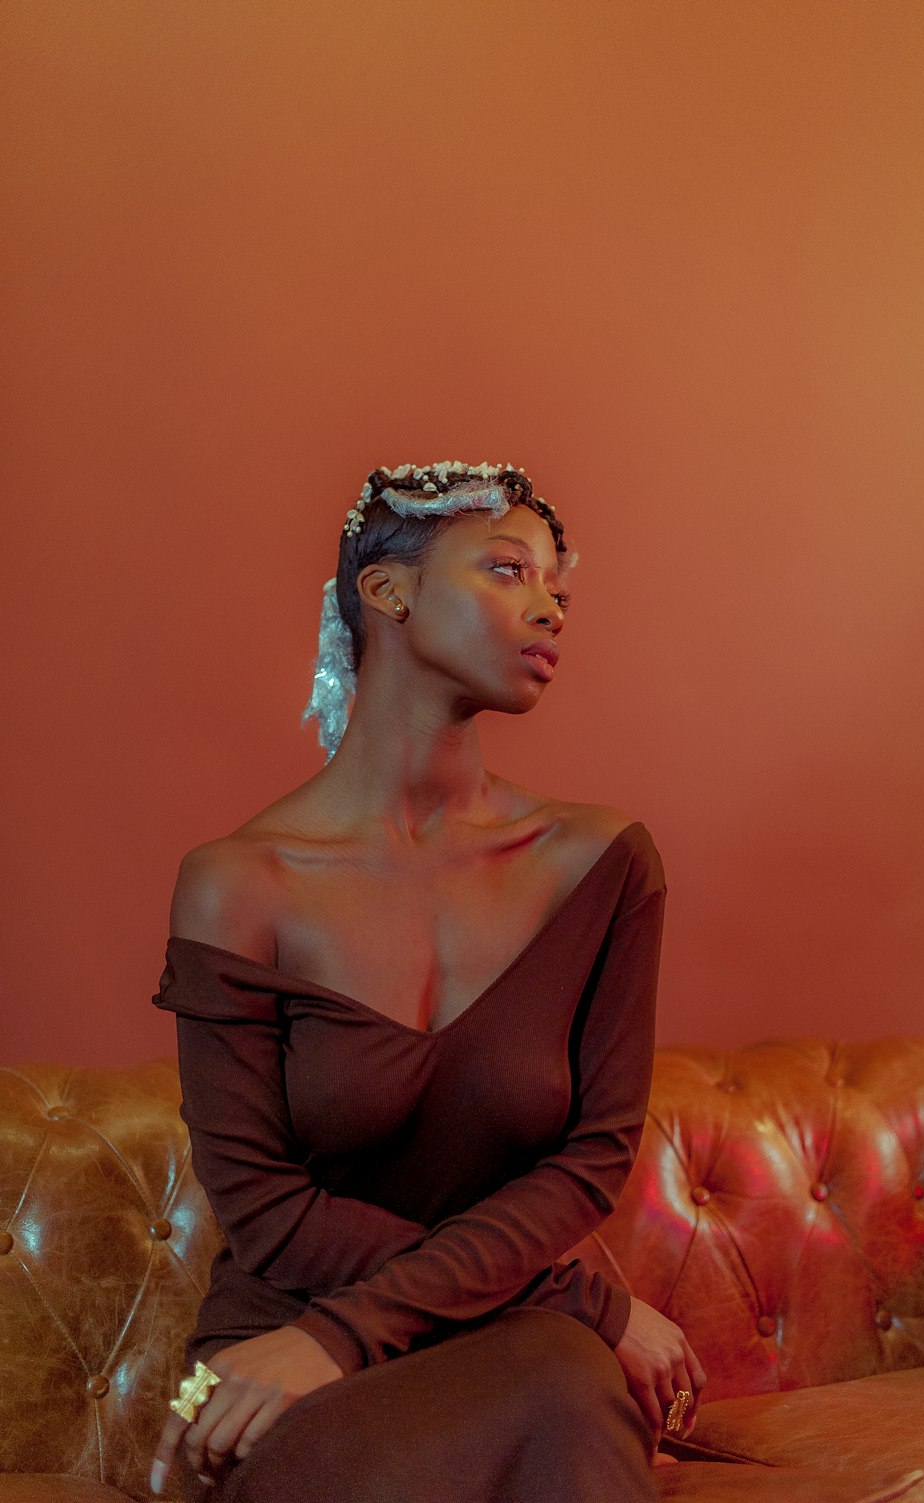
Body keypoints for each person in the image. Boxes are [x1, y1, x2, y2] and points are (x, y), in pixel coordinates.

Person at [150, 461, 705, 1503]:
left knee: (564, 1392)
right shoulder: (236, 884)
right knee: (561, 1385)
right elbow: (262, 1208)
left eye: (558, 591)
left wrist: (368, 1328)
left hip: (512, 1346)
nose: (547, 606)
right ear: (386, 592)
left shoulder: (603, 863)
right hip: (271, 1350)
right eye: (506, 570)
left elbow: (593, 1159)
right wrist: (590, 1302)